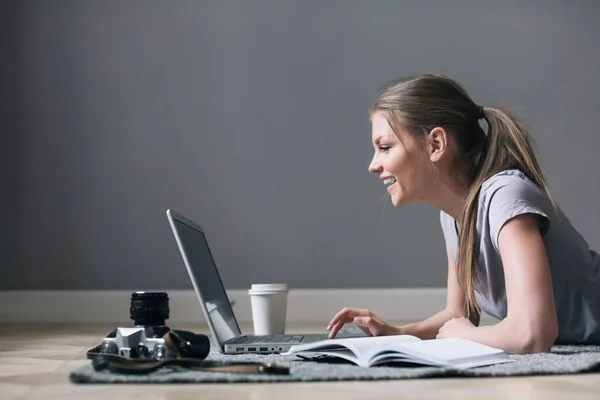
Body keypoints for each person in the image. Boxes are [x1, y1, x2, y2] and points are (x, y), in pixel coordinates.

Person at [326, 74, 600, 354]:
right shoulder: (453, 214)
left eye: (385, 147)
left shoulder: (505, 197)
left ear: (436, 144)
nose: (373, 165)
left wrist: (466, 336)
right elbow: (458, 316)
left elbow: (532, 334)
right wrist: (396, 334)